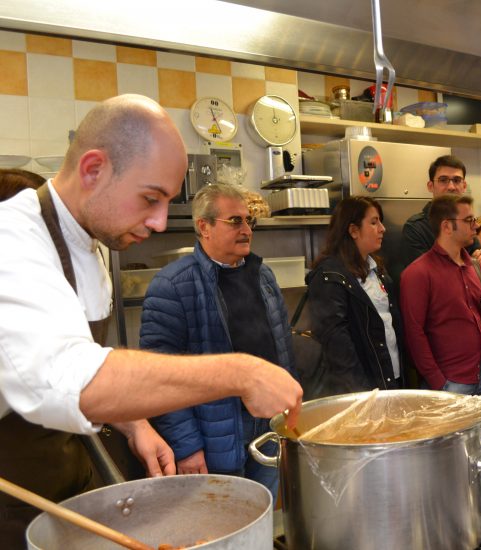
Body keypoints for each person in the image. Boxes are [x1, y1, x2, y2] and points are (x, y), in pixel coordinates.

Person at [0, 95, 301, 546]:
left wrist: (134, 423)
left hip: (62, 480)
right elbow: (66, 380)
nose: (160, 222)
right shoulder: (11, 240)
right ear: (93, 169)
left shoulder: (88, 243)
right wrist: (241, 372)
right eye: (150, 198)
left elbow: (84, 357)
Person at [139, 183, 296, 497]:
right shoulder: (172, 285)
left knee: (265, 511)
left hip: (269, 425)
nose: (246, 230)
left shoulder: (263, 276)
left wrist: (290, 411)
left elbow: (284, 350)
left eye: (249, 220)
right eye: (235, 221)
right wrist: (186, 446)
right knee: (225, 520)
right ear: (204, 227)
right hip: (213, 435)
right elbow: (159, 377)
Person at [400, 194, 481, 395]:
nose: (475, 225)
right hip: (449, 383)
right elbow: (414, 333)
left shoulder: (476, 268)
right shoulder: (418, 273)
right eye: (469, 220)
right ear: (447, 226)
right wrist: (437, 380)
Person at [305, 196, 404, 395]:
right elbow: (336, 344)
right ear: (353, 230)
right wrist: (361, 392)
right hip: (360, 390)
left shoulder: (377, 270)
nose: (382, 229)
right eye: (374, 222)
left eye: (380, 222)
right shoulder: (329, 276)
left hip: (389, 378)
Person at [399, 155, 481, 272]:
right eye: (443, 180)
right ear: (430, 186)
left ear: (464, 186)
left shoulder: (467, 224)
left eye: (457, 180)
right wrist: (469, 264)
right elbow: (423, 273)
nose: (451, 187)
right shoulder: (415, 228)